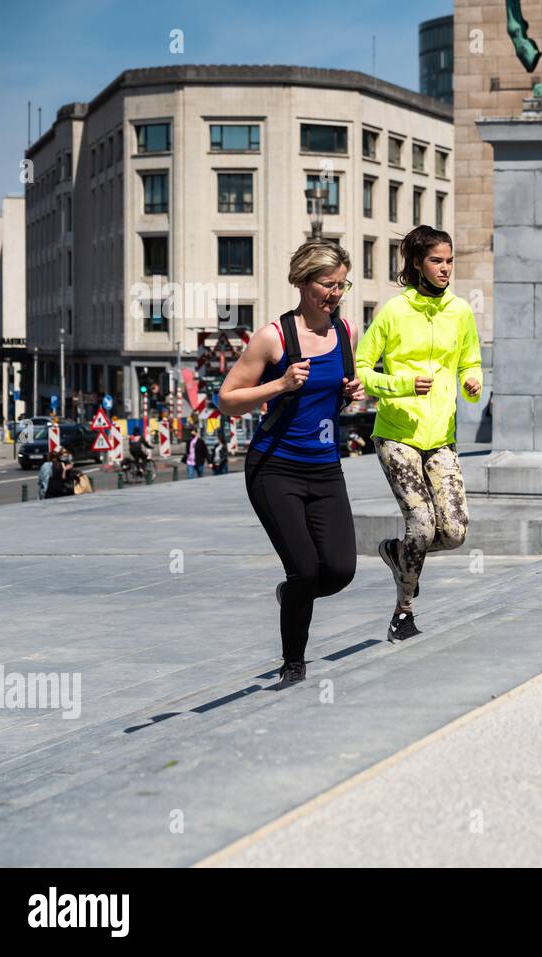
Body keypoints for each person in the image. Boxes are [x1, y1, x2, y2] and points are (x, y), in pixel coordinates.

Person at [216, 239, 364, 688]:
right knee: (303, 567)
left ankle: (291, 596)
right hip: (274, 468)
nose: (335, 293)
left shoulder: (346, 333)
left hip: (324, 466)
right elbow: (227, 400)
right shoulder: (273, 337)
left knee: (339, 570)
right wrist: (279, 384)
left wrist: (350, 395)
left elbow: (331, 396)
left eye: (342, 285)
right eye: (327, 284)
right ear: (303, 281)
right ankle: (293, 663)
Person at [356, 225, 483, 642]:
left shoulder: (460, 311)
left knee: (455, 532)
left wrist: (472, 380)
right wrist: (402, 386)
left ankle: (396, 553)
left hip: (440, 437)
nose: (446, 268)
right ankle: (403, 612)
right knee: (422, 526)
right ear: (417, 263)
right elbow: (362, 369)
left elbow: (470, 360)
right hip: (396, 433)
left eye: (450, 261)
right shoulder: (393, 312)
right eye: (437, 261)